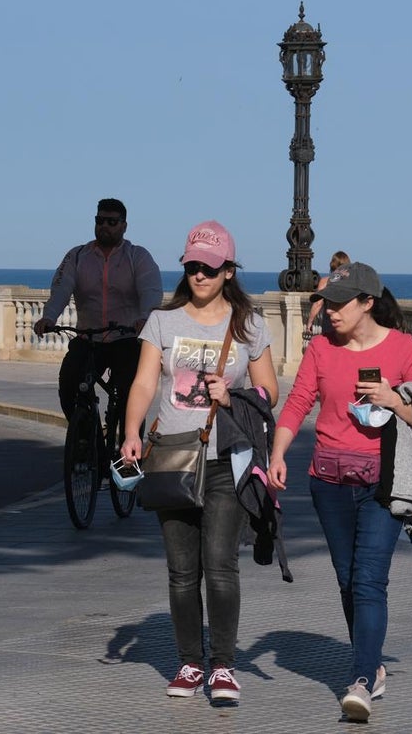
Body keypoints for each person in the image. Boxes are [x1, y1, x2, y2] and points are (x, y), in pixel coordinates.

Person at [120, 220, 279, 702]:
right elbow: (145, 383)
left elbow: (269, 392)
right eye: (192, 267)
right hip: (172, 456)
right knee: (182, 571)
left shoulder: (249, 324)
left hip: (227, 458)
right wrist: (131, 432)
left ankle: (224, 666)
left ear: (228, 271)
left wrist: (231, 396)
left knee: (221, 565)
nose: (200, 276)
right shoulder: (163, 322)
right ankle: (190, 663)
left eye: (209, 268)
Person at [267, 262, 412, 723]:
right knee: (346, 579)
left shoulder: (402, 349)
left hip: (384, 483)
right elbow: (297, 403)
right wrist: (277, 455)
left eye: (339, 304)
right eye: (326, 302)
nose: (328, 311)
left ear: (367, 304)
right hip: (329, 481)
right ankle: (372, 663)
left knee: (368, 580)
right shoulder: (320, 348)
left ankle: (361, 678)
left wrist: (395, 400)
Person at [33, 198, 163, 444]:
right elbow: (61, 289)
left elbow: (150, 290)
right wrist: (49, 317)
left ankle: (127, 449)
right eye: (100, 220)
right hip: (88, 338)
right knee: (69, 385)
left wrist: (145, 318)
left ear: (124, 226)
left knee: (127, 396)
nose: (105, 226)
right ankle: (85, 437)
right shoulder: (77, 256)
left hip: (126, 339)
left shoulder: (138, 257)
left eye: (111, 222)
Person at [304, 250, 351, 335]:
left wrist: (309, 322)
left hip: (330, 322)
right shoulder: (351, 282)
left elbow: (318, 303)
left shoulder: (326, 281)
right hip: (348, 322)